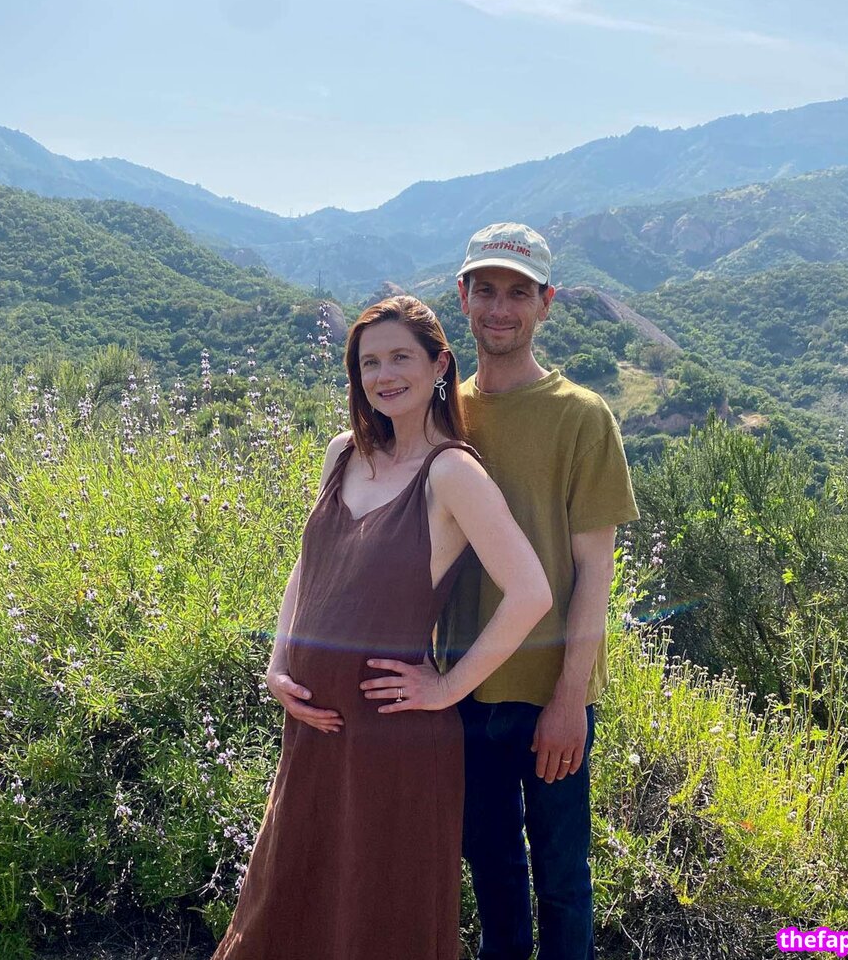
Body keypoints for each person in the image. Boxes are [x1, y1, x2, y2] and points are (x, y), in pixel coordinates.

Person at [211, 295, 552, 960]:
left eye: (400, 357)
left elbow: (530, 592)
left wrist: (446, 687)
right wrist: (278, 665)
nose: (384, 375)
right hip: (314, 731)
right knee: (290, 895)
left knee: (380, 910)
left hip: (394, 742)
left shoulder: (451, 472)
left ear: (439, 365)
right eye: (369, 362)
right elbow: (308, 567)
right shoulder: (343, 453)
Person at [438, 222, 639, 960]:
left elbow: (594, 571)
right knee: (490, 869)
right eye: (486, 289)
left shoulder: (582, 416)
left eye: (518, 293)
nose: (500, 308)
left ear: (546, 303)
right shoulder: (443, 412)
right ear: (463, 296)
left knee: (561, 877)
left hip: (551, 688)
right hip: (464, 684)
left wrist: (569, 699)